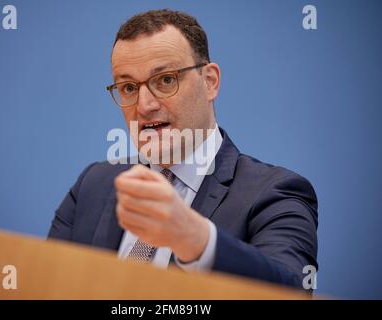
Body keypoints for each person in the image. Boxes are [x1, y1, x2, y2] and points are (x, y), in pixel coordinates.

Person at [48, 9, 318, 290]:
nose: (144, 106)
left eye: (165, 80)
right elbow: (46, 285)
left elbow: (292, 291)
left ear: (210, 81)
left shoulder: (276, 193)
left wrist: (194, 239)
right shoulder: (93, 185)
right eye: (128, 87)